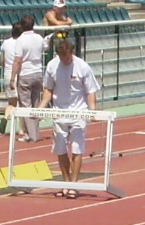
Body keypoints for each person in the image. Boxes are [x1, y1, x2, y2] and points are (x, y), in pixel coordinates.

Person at [43, 36, 101, 195]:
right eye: (62, 58)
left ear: (72, 53)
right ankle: (66, 182)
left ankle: (74, 184)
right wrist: (40, 109)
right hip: (59, 113)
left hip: (78, 113)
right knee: (60, 150)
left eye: (67, 58)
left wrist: (92, 110)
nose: (65, 61)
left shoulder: (82, 67)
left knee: (77, 149)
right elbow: (48, 89)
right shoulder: (52, 66)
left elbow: (91, 91)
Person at [1, 14, 48, 139]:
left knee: (25, 106)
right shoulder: (39, 37)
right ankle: (34, 132)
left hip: (25, 74)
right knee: (36, 104)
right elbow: (45, 47)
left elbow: (17, 61)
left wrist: (12, 78)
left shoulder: (20, 40)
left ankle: (31, 134)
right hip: (38, 73)